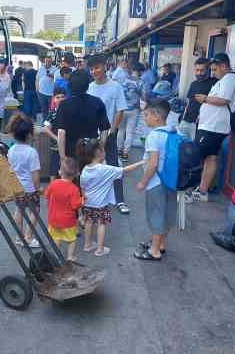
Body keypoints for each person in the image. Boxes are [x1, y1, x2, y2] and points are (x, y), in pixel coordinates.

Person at [186, 53, 235, 203]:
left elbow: (223, 100)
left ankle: (189, 189)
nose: (213, 72)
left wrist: (204, 99)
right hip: (210, 125)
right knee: (209, 158)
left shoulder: (230, 79)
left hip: (214, 127)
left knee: (196, 157)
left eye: (215, 69)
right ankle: (202, 191)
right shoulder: (223, 80)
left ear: (224, 66)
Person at [76, 138, 145, 257]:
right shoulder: (106, 169)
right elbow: (125, 170)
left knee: (88, 222)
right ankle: (100, 249)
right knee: (101, 224)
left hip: (88, 203)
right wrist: (142, 162)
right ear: (99, 152)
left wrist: (83, 199)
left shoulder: (85, 170)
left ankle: (87, 245)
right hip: (101, 204)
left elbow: (83, 188)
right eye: (104, 150)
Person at [86, 54, 131, 215]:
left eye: (97, 67)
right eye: (91, 69)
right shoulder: (90, 87)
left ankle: (120, 200)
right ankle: (90, 199)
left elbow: (120, 110)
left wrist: (112, 130)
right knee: (90, 166)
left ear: (105, 66)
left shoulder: (115, 86)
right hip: (91, 134)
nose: (94, 71)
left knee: (113, 165)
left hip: (110, 134)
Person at [134, 98, 174, 261]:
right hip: (171, 180)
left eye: (147, 114)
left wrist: (143, 181)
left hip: (156, 182)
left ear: (157, 116)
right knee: (166, 214)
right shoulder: (173, 131)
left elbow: (153, 163)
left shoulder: (154, 136)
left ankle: (154, 251)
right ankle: (160, 244)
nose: (145, 118)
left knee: (156, 214)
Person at [55, 70, 110, 160]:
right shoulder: (97, 102)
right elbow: (104, 129)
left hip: (70, 152)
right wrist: (100, 148)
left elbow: (61, 132)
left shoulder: (64, 105)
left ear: (70, 85)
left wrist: (62, 156)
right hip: (90, 151)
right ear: (87, 85)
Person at [7, 113, 41, 248]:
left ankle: (19, 237)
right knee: (35, 212)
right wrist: (38, 188)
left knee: (19, 210)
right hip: (30, 188)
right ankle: (28, 236)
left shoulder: (12, 150)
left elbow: (11, 169)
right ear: (29, 134)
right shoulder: (31, 152)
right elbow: (35, 175)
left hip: (17, 187)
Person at [44, 157, 83, 261]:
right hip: (68, 221)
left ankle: (56, 256)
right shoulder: (74, 189)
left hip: (53, 218)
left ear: (60, 172)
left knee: (56, 237)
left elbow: (46, 196)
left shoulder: (53, 183)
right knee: (71, 239)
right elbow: (75, 205)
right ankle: (70, 257)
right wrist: (83, 200)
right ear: (76, 175)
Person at [180, 58, 217, 141]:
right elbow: (188, 102)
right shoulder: (193, 84)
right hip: (185, 121)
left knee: (194, 149)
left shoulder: (214, 83)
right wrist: (182, 119)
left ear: (208, 70)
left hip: (199, 124)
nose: (199, 73)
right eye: (197, 70)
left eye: (202, 70)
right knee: (182, 147)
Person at [117, 62, 145, 161]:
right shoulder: (140, 82)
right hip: (134, 110)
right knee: (130, 132)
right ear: (140, 71)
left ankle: (118, 150)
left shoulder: (124, 79)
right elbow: (144, 96)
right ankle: (125, 153)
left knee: (121, 130)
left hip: (122, 109)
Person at [42, 87, 68, 181]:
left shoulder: (70, 112)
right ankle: (53, 185)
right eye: (58, 97)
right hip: (56, 146)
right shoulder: (52, 113)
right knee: (54, 165)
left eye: (63, 97)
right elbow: (45, 128)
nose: (60, 99)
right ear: (53, 99)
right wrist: (57, 139)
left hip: (68, 145)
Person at [36, 56, 56, 122]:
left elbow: (57, 79)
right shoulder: (41, 69)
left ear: (51, 62)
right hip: (41, 93)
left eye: (49, 61)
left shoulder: (55, 69)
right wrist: (37, 89)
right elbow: (37, 79)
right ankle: (44, 123)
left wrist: (52, 76)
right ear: (44, 62)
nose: (47, 63)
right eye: (46, 61)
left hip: (51, 93)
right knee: (44, 109)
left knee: (52, 109)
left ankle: (50, 122)